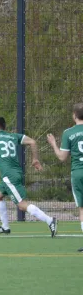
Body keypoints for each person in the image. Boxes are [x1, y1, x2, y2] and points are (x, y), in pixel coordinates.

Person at [0, 117, 57, 236]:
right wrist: (35, 159)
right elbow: (33, 142)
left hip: (9, 176)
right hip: (14, 173)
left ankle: (50, 220)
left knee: (21, 205)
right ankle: (5, 227)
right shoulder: (13, 136)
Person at [47, 103, 83, 252]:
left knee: (82, 208)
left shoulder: (69, 133)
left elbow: (62, 157)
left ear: (74, 115)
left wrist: (54, 144)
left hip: (78, 173)